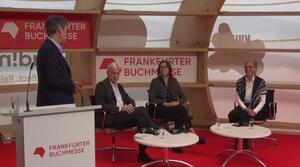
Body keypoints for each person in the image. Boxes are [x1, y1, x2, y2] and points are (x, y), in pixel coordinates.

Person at [95, 62, 159, 163]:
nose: (115, 75)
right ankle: (157, 130)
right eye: (113, 73)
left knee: (141, 120)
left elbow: (131, 100)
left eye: (117, 73)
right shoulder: (101, 86)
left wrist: (130, 106)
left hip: (121, 117)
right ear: (108, 73)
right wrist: (121, 108)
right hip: (110, 117)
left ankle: (142, 154)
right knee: (142, 109)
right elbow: (101, 105)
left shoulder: (119, 86)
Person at [149, 60, 206, 153]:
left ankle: (176, 144)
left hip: (174, 109)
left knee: (179, 114)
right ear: (159, 69)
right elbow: (151, 99)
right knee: (181, 109)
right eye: (161, 67)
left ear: (169, 69)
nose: (163, 69)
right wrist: (165, 103)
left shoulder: (174, 81)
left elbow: (183, 97)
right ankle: (193, 132)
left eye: (165, 67)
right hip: (161, 109)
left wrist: (177, 102)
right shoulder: (155, 82)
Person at [36, 15, 81, 106]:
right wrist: (71, 86)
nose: (67, 33)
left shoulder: (51, 48)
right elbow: (53, 79)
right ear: (59, 29)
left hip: (58, 104)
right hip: (54, 105)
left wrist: (70, 82)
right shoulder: (48, 49)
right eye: (66, 30)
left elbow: (56, 75)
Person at [228, 60, 267, 124]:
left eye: (250, 67)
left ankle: (246, 133)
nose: (247, 69)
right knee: (232, 115)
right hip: (244, 106)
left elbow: (263, 100)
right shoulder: (240, 81)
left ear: (255, 69)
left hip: (256, 106)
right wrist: (245, 108)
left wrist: (254, 111)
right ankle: (235, 132)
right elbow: (238, 98)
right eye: (245, 67)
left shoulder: (261, 82)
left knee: (243, 116)